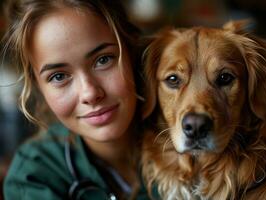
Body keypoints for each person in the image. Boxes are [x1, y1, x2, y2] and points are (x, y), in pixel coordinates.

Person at [2, 0, 153, 199]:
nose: (90, 93)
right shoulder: (33, 177)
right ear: (38, 86)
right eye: (59, 76)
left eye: (103, 60)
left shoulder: (189, 136)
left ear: (131, 51)